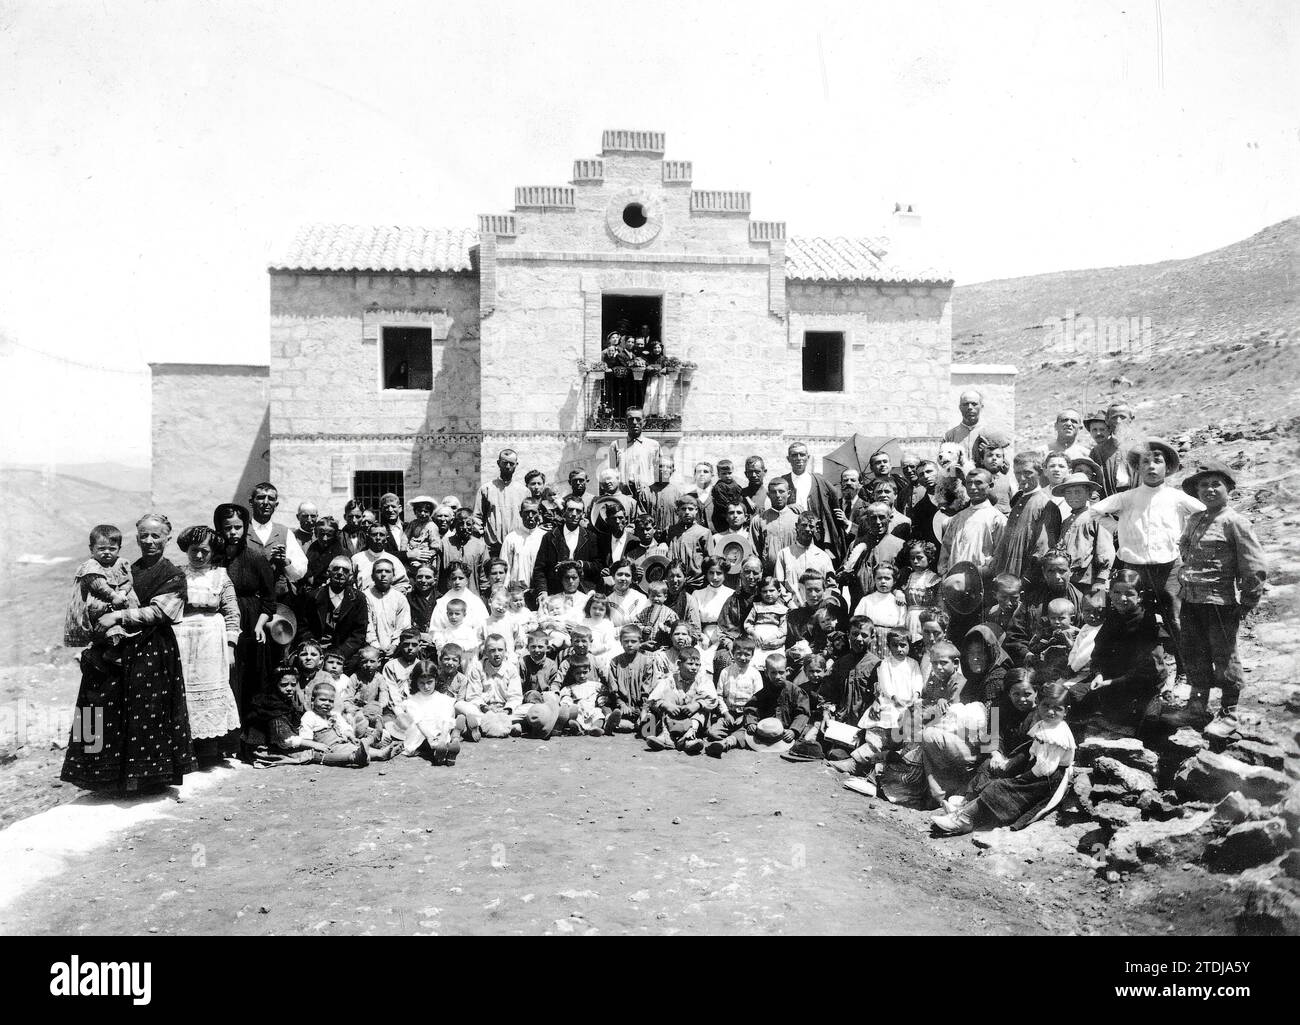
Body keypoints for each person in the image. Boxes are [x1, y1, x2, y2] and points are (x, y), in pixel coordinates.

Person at [61, 514, 195, 793]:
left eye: (156, 536)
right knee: (99, 704)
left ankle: (147, 778)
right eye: (143, 535)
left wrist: (118, 616)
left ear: (167, 539)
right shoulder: (124, 569)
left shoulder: (173, 573)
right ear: (136, 538)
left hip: (153, 649)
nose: (149, 541)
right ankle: (98, 776)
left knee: (147, 710)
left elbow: (162, 611)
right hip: (117, 646)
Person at [1079, 439, 1203, 678]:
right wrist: (1117, 529)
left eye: (1158, 461)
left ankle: (1186, 672)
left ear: (1167, 467)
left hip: (1169, 570)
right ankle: (1140, 671)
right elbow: (1094, 512)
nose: (1151, 466)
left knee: (1175, 619)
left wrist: (1187, 539)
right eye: (1145, 462)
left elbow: (1204, 514)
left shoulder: (1175, 497)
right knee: (1135, 619)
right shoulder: (1128, 497)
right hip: (1135, 570)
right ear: (1137, 468)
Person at [1176, 458, 1268, 724]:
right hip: (1191, 599)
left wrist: (1248, 601)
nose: (1209, 490)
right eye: (1203, 485)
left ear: (1228, 488)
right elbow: (1185, 550)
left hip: (1220, 601)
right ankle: (1196, 706)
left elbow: (1254, 565)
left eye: (1216, 484)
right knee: (1194, 651)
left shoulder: (1235, 522)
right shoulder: (1194, 519)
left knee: (1223, 654)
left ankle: (1229, 710)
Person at [931, 682, 1074, 835]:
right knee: (990, 772)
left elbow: (1045, 769)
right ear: (1039, 704)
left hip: (1046, 781)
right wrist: (1003, 759)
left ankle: (964, 819)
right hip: (1035, 772)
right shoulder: (1041, 723)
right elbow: (1024, 749)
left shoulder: (1056, 734)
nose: (1050, 712)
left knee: (1000, 787)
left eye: (1057, 708)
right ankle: (965, 807)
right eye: (1046, 706)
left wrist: (1022, 777)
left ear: (1066, 711)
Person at [173, 525, 242, 763]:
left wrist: (231, 648)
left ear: (212, 552)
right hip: (182, 638)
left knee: (211, 690)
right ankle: (185, 751)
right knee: (184, 691)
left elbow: (233, 613)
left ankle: (209, 752)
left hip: (212, 641)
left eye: (204, 551)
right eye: (194, 550)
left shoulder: (220, 577)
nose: (199, 556)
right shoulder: (178, 574)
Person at [1070, 569, 1166, 737]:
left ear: (1140, 595)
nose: (1122, 599)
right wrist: (1099, 674)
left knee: (1148, 720)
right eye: (1116, 593)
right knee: (1073, 696)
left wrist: (1111, 682)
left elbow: (1148, 671)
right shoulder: (1113, 618)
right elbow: (1098, 653)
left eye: (1129, 594)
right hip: (1110, 680)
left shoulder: (1148, 623)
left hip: (1137, 684)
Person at [825, 630, 925, 787]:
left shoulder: (913, 663)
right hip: (890, 702)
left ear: (909, 646)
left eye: (903, 645)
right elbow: (885, 683)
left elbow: (917, 680)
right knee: (877, 735)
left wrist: (916, 694)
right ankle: (858, 762)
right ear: (889, 646)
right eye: (895, 645)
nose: (899, 649)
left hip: (909, 703)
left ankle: (880, 768)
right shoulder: (886, 663)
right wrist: (893, 697)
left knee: (905, 734)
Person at [214, 502, 276, 719]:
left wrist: (260, 625)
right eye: (228, 527)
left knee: (251, 677)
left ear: (245, 527)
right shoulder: (214, 559)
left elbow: (269, 599)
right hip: (222, 621)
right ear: (219, 528)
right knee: (226, 677)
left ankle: (251, 735)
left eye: (238, 527)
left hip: (250, 624)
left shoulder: (256, 558)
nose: (233, 532)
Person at [704, 652, 809, 757]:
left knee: (806, 735)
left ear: (787, 671)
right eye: (773, 673)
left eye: (781, 672)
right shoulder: (763, 692)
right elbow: (751, 708)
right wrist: (751, 723)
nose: (778, 676)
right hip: (765, 732)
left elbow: (802, 713)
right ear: (766, 673)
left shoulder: (796, 692)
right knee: (744, 733)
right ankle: (724, 744)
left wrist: (793, 730)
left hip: (785, 732)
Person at [990, 452, 1061, 584]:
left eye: (1027, 473)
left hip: (1027, 580)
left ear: (1039, 472)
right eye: (1017, 473)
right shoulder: (1018, 500)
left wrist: (1025, 581)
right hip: (1007, 577)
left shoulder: (1046, 506)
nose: (1022, 478)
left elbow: (1042, 550)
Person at [64, 524, 138, 652]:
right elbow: (99, 585)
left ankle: (121, 647)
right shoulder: (90, 566)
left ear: (119, 549)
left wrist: (123, 591)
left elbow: (128, 580)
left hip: (120, 602)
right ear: (92, 549)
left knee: (126, 628)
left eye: (112, 549)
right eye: (102, 549)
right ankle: (109, 651)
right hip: (100, 605)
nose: (107, 552)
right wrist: (114, 596)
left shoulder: (121, 563)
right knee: (105, 631)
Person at [778, 442, 846, 562]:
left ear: (808, 458)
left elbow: (836, 498)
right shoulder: (782, 481)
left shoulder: (819, 480)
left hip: (816, 536)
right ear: (788, 459)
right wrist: (787, 507)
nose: (799, 458)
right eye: (794, 455)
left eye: (802, 455)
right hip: (791, 536)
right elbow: (773, 506)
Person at [301, 555, 369, 667]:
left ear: (350, 576)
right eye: (336, 569)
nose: (340, 573)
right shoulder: (313, 596)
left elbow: (359, 633)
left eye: (345, 571)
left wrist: (340, 653)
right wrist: (314, 648)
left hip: (345, 654)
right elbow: (303, 626)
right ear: (328, 572)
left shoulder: (358, 599)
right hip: (315, 651)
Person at [1053, 472, 1115, 592]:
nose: (1073, 496)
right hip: (1068, 579)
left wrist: (1101, 580)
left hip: (1090, 581)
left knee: (1092, 608)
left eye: (1078, 492)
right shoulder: (1067, 521)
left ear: (1088, 494)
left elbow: (1105, 548)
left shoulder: (1097, 516)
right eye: (1068, 492)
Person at [937, 469, 1006, 576]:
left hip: (981, 579)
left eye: (978, 483)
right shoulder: (957, 518)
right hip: (954, 581)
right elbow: (946, 550)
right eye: (969, 483)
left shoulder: (997, 519)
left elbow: (1000, 556)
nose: (973, 488)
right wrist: (945, 574)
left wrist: (983, 572)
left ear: (990, 486)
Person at [245, 483, 308, 599]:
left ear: (276, 504)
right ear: (251, 502)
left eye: (271, 499)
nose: (266, 502)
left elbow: (300, 572)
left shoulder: (284, 532)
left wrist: (285, 561)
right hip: (249, 600)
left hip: (278, 601)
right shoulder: (242, 531)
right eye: (260, 497)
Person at [394, 657, 462, 764]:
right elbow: (419, 722)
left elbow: (446, 719)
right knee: (422, 739)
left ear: (436, 679)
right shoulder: (413, 701)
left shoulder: (443, 699)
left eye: (430, 682)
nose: (426, 687)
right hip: (422, 734)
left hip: (440, 734)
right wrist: (430, 738)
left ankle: (444, 750)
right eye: (422, 683)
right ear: (416, 682)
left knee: (442, 735)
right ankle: (441, 753)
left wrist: (443, 736)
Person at [532, 496, 602, 599]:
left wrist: (581, 564)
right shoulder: (550, 537)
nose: (574, 514)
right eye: (570, 510)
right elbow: (539, 569)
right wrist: (542, 591)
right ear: (564, 512)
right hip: (555, 592)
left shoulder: (591, 537)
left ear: (583, 515)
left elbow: (598, 565)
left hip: (583, 593)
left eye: (578, 511)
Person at [600, 624, 662, 733]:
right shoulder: (615, 662)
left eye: (633, 641)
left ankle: (641, 725)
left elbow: (647, 688)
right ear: (621, 642)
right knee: (608, 708)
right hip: (621, 706)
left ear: (640, 642)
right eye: (626, 641)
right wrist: (622, 704)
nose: (629, 645)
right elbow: (613, 687)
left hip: (641, 706)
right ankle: (617, 723)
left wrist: (643, 708)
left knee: (651, 719)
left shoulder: (647, 661)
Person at [475, 448, 528, 558]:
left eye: (511, 463)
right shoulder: (486, 489)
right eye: (505, 463)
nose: (508, 466)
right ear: (499, 463)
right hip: (492, 548)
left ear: (516, 465)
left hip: (517, 546)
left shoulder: (524, 492)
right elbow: (477, 517)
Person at [774, 512, 835, 605]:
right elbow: (779, 584)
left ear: (816, 529)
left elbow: (831, 586)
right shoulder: (784, 554)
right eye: (803, 525)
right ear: (796, 526)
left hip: (818, 609)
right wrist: (789, 602)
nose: (807, 529)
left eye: (811, 526)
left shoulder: (823, 557)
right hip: (792, 608)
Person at [364, 558, 412, 658]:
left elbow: (403, 626)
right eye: (379, 571)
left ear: (393, 576)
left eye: (387, 571)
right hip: (370, 650)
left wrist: (394, 645)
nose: (383, 574)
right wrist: (375, 646)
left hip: (396, 650)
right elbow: (367, 626)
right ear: (372, 576)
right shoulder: (365, 596)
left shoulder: (400, 598)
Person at [751, 477, 800, 574]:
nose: (778, 495)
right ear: (768, 495)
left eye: (781, 491)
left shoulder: (798, 519)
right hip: (768, 576)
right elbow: (754, 553)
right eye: (773, 492)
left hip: (794, 573)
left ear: (789, 493)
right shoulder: (758, 520)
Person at [662, 494, 711, 588]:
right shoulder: (671, 531)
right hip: (674, 582)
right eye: (683, 509)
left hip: (696, 583)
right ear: (678, 511)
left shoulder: (704, 532)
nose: (687, 512)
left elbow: (708, 560)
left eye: (691, 509)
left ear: (696, 510)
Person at [1089, 402, 1137, 497]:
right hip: (1110, 502)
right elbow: (1093, 487)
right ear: (1107, 420)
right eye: (1114, 417)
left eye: (1123, 417)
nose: (1118, 421)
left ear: (1131, 419)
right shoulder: (1098, 452)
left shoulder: (1141, 447)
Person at [438, 508, 489, 596]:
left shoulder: (480, 546)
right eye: (461, 523)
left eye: (468, 524)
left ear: (473, 525)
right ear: (455, 524)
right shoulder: (444, 544)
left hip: (472, 594)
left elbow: (484, 576)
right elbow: (437, 573)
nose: (465, 527)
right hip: (448, 596)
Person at [500, 497, 546, 593]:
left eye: (534, 512)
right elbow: (504, 567)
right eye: (526, 512)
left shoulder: (545, 537)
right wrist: (503, 590)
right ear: (521, 514)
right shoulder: (511, 538)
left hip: (539, 591)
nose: (530, 516)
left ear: (539, 514)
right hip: (517, 593)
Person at [608, 409, 660, 493]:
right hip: (624, 493)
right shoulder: (616, 445)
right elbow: (611, 473)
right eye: (630, 419)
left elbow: (658, 473)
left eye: (638, 419)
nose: (634, 422)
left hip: (647, 493)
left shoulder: (654, 445)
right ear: (626, 422)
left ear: (644, 422)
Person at [901, 540, 941, 639]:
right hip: (908, 617)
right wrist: (897, 592)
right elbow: (897, 589)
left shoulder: (933, 579)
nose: (915, 561)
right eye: (912, 558)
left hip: (925, 619)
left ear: (929, 558)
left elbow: (939, 603)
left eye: (919, 558)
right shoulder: (908, 577)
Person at [353, 521, 410, 591]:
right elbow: (350, 583)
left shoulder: (394, 560)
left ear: (386, 539)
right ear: (368, 537)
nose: (378, 538)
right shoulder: (357, 559)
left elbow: (403, 584)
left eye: (382, 535)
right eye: (374, 535)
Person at [693, 557, 736, 647]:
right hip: (703, 638)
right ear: (706, 574)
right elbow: (693, 623)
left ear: (725, 574)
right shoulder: (697, 594)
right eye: (711, 573)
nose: (715, 577)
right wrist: (702, 637)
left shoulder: (731, 594)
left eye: (719, 573)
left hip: (726, 637)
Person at [744, 576, 789, 652]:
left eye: (771, 590)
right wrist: (753, 633)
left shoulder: (782, 609)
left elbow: (783, 628)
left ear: (779, 592)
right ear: (760, 593)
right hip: (757, 638)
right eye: (765, 591)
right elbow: (748, 623)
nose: (768, 594)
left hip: (774, 639)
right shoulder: (756, 607)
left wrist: (775, 637)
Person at [943, 390, 984, 460]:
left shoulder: (989, 433)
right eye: (965, 404)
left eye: (974, 404)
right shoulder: (950, 436)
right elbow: (942, 462)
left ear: (981, 406)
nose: (970, 407)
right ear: (960, 407)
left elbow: (1001, 463)